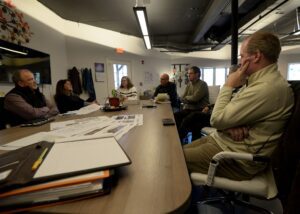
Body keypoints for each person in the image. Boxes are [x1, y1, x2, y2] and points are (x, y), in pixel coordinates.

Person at [183, 31, 294, 181]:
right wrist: (228, 126)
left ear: (256, 56)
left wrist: (228, 84)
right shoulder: (257, 81)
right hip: (223, 141)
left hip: (236, 159)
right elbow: (227, 111)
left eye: (242, 56)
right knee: (178, 151)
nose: (240, 62)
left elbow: (216, 119)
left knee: (173, 159)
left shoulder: (266, 88)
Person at [174, 66, 209, 135]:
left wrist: (186, 98)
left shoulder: (202, 84)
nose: (188, 75)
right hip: (189, 109)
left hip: (199, 110)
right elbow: (182, 97)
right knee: (175, 115)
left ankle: (180, 137)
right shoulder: (189, 84)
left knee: (186, 120)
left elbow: (195, 99)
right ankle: (177, 137)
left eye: (191, 73)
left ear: (197, 74)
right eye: (188, 73)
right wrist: (187, 98)